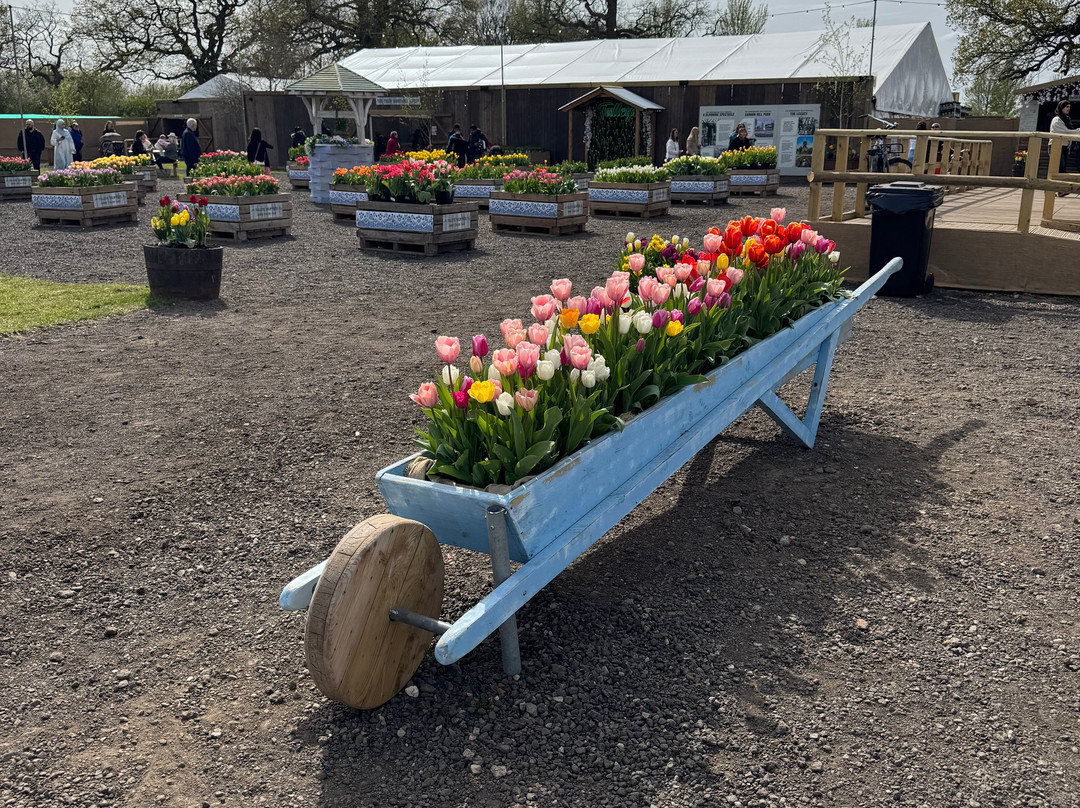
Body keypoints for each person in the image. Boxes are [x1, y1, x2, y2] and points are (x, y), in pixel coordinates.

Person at [1050, 100, 1077, 195]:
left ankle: (1059, 190)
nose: (1068, 109)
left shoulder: (1066, 119)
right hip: (1056, 146)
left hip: (1064, 146)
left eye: (1069, 107)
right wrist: (1078, 131)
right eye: (1066, 107)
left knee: (1061, 168)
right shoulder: (1057, 120)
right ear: (1061, 108)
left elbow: (1069, 131)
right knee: (1059, 168)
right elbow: (1065, 132)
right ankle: (1054, 189)